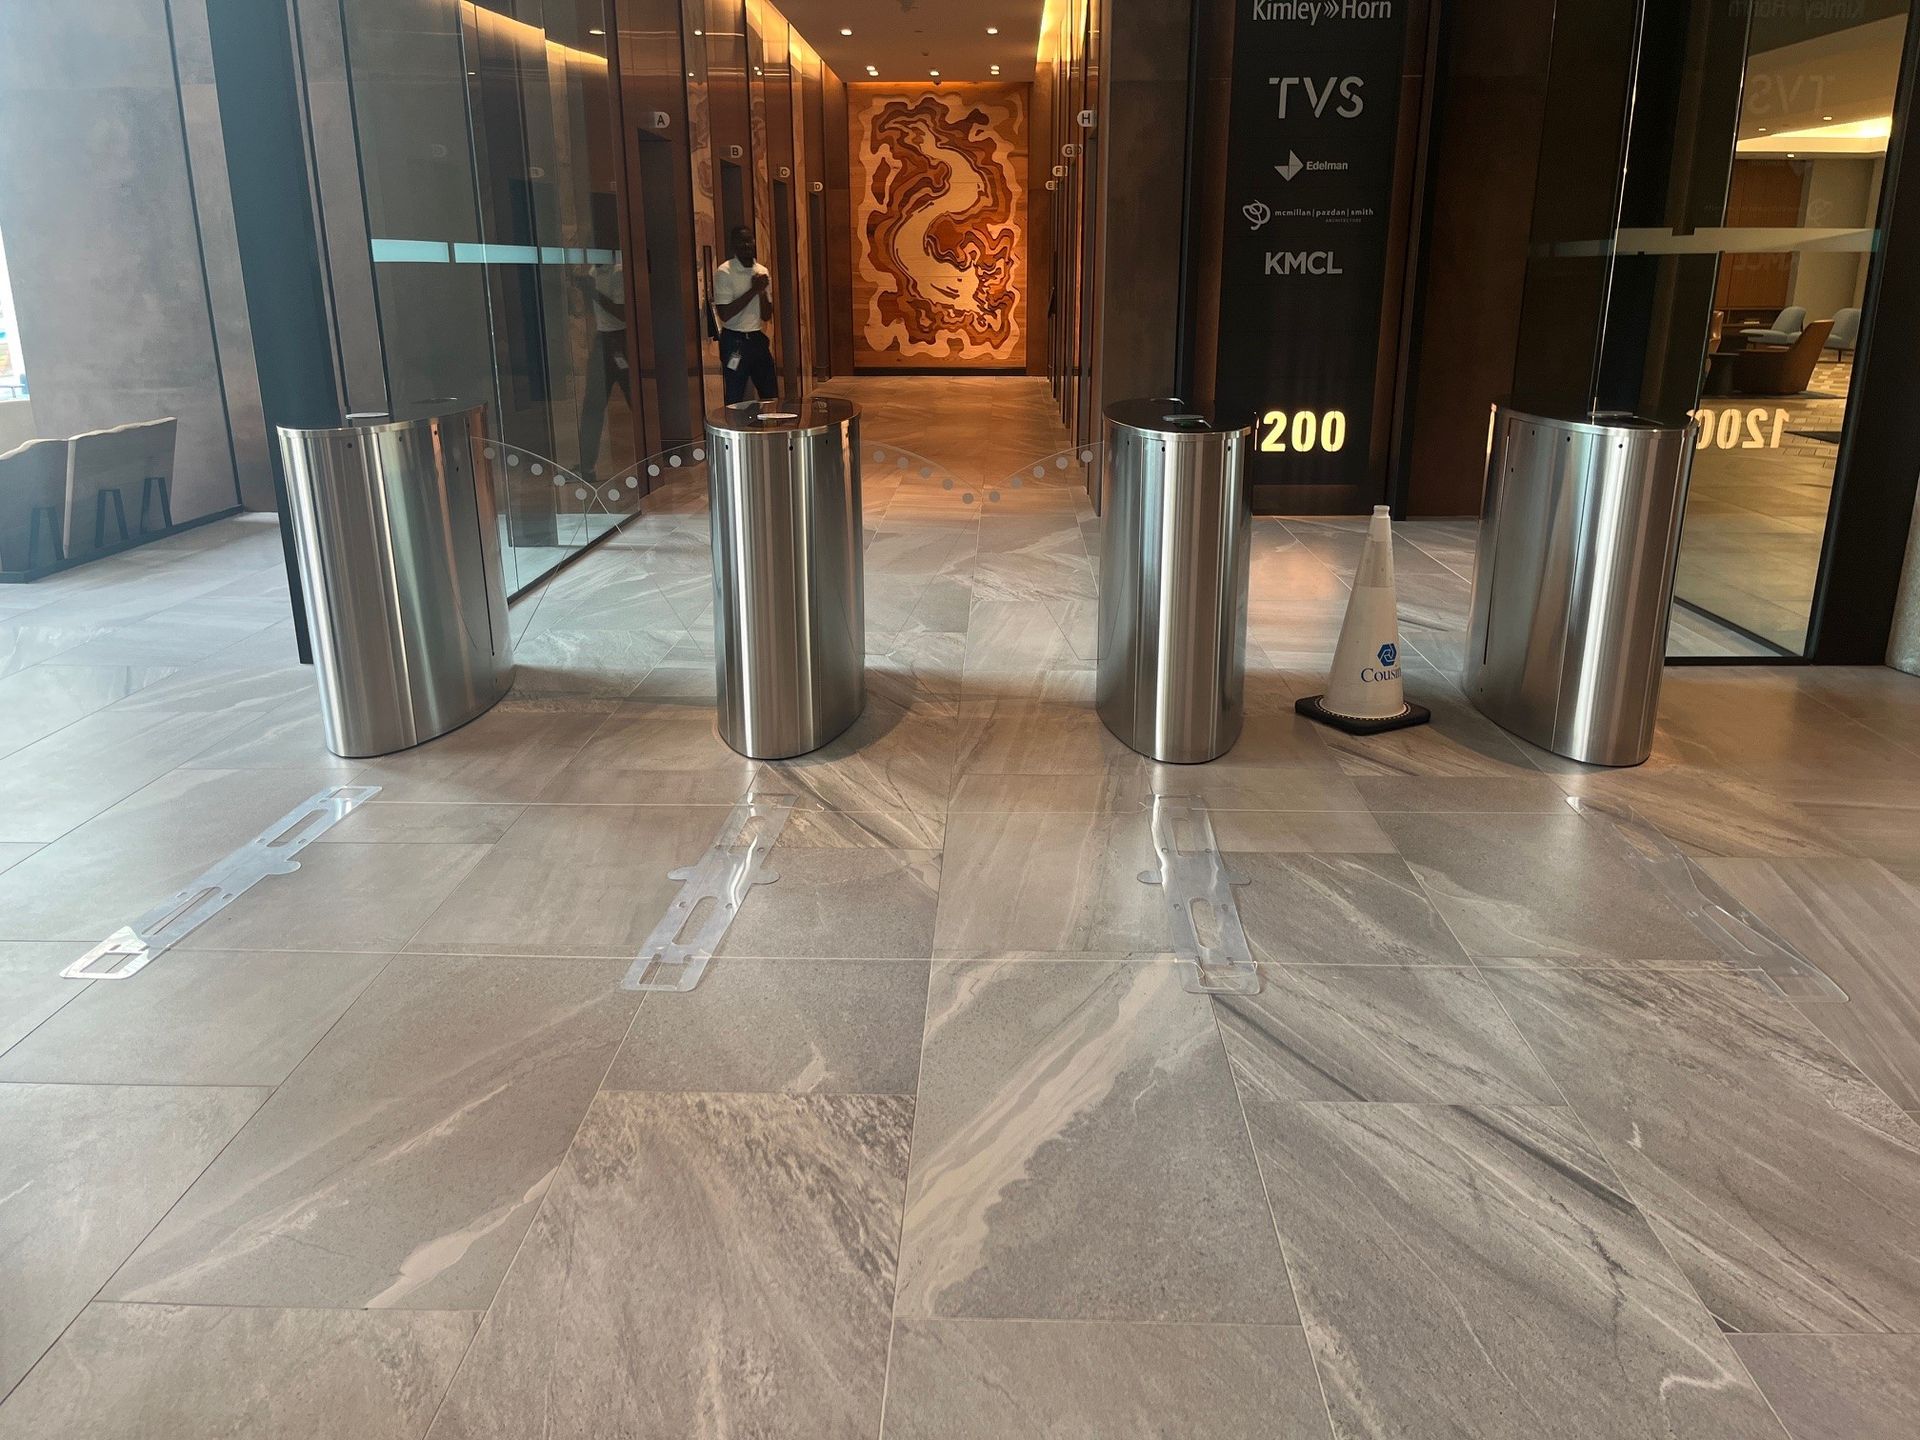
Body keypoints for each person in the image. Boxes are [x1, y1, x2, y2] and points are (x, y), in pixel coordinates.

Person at [711, 225, 778, 403]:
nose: (746, 245)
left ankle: (769, 420)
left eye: (749, 240)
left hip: (757, 339)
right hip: (734, 341)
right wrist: (753, 290)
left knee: (770, 393)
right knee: (735, 393)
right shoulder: (725, 272)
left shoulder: (762, 271)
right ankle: (734, 421)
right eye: (741, 241)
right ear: (733, 245)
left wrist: (761, 291)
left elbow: (766, 315)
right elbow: (725, 314)